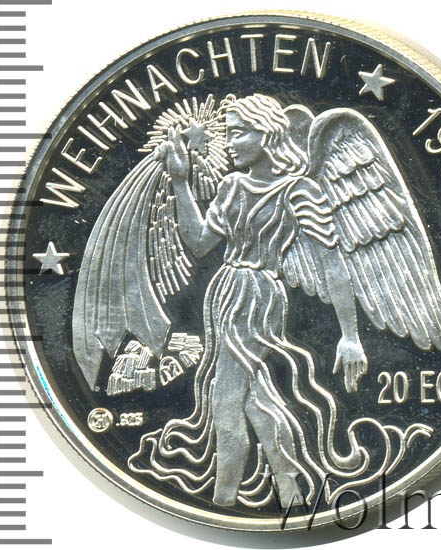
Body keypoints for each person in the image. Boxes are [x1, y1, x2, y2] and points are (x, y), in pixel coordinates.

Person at [142, 94, 368, 508]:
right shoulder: (232, 186)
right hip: (226, 290)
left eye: (238, 133)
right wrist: (180, 181)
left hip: (258, 296)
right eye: (227, 134)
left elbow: (333, 265)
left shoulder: (300, 191)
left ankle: (223, 500)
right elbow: (199, 243)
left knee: (224, 400)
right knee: (255, 399)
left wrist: (350, 335)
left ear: (266, 134)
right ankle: (290, 491)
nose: (229, 143)